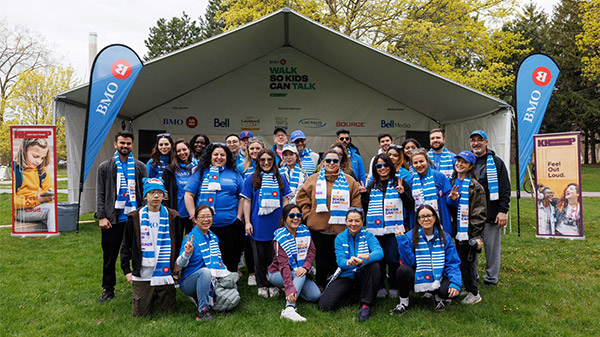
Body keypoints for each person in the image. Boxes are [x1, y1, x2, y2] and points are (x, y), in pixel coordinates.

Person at [295, 149, 362, 288]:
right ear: (323, 162)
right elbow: (301, 198)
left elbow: (356, 203)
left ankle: (334, 287)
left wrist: (352, 222)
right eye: (328, 160)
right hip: (318, 229)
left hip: (340, 230)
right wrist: (308, 216)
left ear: (340, 163)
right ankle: (319, 285)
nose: (331, 163)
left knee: (336, 260)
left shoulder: (349, 181)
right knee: (320, 261)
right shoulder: (313, 179)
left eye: (335, 161)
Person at [96, 130, 147, 302]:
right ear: (115, 144)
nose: (125, 146)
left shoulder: (140, 166)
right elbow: (100, 193)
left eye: (128, 143)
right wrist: (102, 216)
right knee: (109, 257)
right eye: (122, 143)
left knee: (138, 255)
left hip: (134, 219)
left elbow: (145, 192)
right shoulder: (105, 166)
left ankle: (140, 287)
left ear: (132, 145)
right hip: (113, 220)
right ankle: (108, 289)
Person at [120, 178, 182, 317]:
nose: (155, 196)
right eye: (152, 192)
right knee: (140, 314)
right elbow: (126, 246)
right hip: (143, 273)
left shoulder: (173, 217)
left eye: (159, 193)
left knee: (169, 312)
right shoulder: (135, 217)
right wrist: (127, 271)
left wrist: (176, 267)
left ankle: (157, 293)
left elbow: (178, 244)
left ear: (164, 195)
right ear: (145, 196)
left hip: (165, 272)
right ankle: (148, 293)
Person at [184, 143, 245, 273]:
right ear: (210, 156)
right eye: (215, 154)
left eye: (222, 155)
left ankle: (229, 281)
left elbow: (242, 196)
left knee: (230, 255)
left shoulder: (234, 173)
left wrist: (239, 217)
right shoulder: (200, 173)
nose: (219, 157)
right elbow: (189, 194)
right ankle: (208, 281)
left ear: (227, 157)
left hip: (229, 223)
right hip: (205, 225)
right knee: (206, 256)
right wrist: (193, 216)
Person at [241, 149, 292, 298]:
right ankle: (262, 284)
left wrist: (286, 220)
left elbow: (285, 199)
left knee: (275, 256)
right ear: (258, 162)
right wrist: (248, 222)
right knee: (259, 257)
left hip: (276, 224)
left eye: (269, 159)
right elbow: (247, 201)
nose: (266, 162)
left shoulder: (281, 178)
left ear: (274, 161)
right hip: (257, 224)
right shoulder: (252, 179)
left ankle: (273, 283)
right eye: (262, 160)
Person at [362, 153, 414, 299]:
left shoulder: (400, 182)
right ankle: (379, 287)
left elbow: (411, 205)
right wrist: (364, 196)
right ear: (375, 168)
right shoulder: (371, 186)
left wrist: (403, 194)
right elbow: (366, 210)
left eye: (385, 165)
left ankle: (393, 286)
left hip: (394, 229)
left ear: (390, 166)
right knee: (378, 260)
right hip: (375, 230)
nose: (382, 168)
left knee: (392, 260)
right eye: (379, 166)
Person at [393, 204, 462, 314]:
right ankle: (403, 302)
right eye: (422, 216)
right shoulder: (410, 236)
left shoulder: (445, 237)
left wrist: (455, 283)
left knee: (447, 291)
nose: (426, 219)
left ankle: (437, 296)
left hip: (438, 277)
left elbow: (453, 262)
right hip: (418, 274)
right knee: (403, 270)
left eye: (429, 216)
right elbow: (409, 263)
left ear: (435, 218)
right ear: (418, 220)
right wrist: (402, 242)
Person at [177, 205, 241, 321]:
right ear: (195, 220)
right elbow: (180, 263)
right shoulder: (191, 238)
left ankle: (203, 297)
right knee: (205, 272)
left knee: (230, 283)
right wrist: (187, 253)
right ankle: (203, 311)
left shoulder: (214, 237)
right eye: (202, 217)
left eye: (209, 216)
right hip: (189, 281)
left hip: (212, 278)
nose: (206, 220)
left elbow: (218, 262)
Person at [318, 208, 383, 322]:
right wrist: (349, 262)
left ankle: (366, 305)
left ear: (362, 221)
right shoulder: (339, 238)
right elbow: (340, 261)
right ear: (346, 221)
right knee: (324, 306)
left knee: (375, 266)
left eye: (357, 221)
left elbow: (379, 252)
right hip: (346, 275)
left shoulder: (369, 236)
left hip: (364, 274)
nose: (353, 224)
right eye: (350, 220)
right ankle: (358, 296)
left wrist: (363, 260)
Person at [470, 130, 510, 287]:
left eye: (480, 140)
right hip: (472, 214)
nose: (476, 143)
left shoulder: (496, 162)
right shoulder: (467, 161)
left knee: (492, 248)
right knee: (471, 247)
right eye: (473, 140)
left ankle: (491, 279)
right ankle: (472, 276)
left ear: (486, 142)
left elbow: (505, 188)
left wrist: (503, 211)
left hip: (491, 212)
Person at [268, 204, 321, 322]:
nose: (295, 218)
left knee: (315, 296)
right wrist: (290, 288)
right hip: (277, 273)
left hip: (299, 270)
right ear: (284, 218)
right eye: (291, 215)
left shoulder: (305, 231)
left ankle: (295, 290)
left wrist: (306, 267)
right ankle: (289, 309)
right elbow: (283, 266)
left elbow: (312, 252)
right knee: (299, 273)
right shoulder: (280, 236)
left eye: (298, 215)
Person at [447, 151, 487, 305]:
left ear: (470, 165)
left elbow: (479, 212)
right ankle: (467, 287)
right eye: (458, 161)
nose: (460, 164)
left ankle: (474, 293)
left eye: (464, 162)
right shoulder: (452, 182)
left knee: (467, 261)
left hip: (468, 231)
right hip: (455, 230)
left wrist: (475, 235)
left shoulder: (475, 186)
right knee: (459, 259)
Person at [237, 137, 265, 286]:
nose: (255, 151)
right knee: (248, 241)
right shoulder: (242, 167)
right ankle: (252, 272)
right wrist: (241, 215)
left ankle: (265, 269)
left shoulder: (269, 165)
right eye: (252, 148)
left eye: (257, 148)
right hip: (248, 209)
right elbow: (240, 193)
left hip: (265, 210)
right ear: (247, 150)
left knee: (265, 242)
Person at [406, 148, 454, 235]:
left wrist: (452, 198)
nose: (419, 165)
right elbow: (408, 205)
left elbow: (449, 200)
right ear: (412, 165)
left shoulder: (439, 177)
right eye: (415, 163)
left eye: (421, 161)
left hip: (440, 222)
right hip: (418, 224)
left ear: (427, 161)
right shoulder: (410, 181)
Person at [12, 138, 56, 232]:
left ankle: (53, 240)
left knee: (56, 213)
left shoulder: (42, 172)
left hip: (39, 208)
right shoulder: (15, 171)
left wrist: (49, 196)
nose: (38, 161)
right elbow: (13, 201)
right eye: (35, 156)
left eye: (42, 158)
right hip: (22, 211)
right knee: (52, 210)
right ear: (24, 151)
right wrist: (36, 200)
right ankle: (54, 237)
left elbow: (48, 191)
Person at [162, 139, 194, 234]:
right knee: (176, 244)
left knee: (192, 242)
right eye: (178, 151)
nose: (182, 153)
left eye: (184, 149)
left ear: (189, 150)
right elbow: (165, 191)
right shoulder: (169, 170)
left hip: (193, 213)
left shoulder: (196, 168)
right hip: (176, 213)